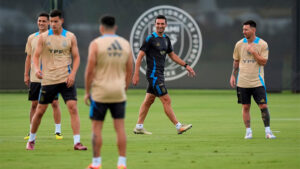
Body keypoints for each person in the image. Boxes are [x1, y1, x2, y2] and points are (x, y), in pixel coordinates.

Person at [26, 9, 87, 150]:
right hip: (49, 80)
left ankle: (77, 142)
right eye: (51, 21)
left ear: (62, 21)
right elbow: (35, 56)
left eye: (55, 21)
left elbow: (77, 57)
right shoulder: (43, 37)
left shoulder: (70, 37)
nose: (53, 24)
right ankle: (31, 139)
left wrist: (73, 75)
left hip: (66, 79)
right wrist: (36, 69)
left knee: (73, 108)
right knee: (40, 111)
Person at [132, 15, 195, 135]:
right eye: (158, 24)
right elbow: (140, 56)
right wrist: (136, 74)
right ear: (155, 25)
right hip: (154, 75)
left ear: (166, 25)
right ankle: (178, 126)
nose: (160, 26)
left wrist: (186, 66)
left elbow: (172, 55)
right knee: (166, 100)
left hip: (159, 74)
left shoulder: (166, 39)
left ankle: (139, 127)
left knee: (149, 100)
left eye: (162, 24)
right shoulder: (150, 39)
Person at [84, 15, 133, 169]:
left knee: (96, 128)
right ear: (115, 28)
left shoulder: (96, 43)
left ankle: (97, 163)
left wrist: (87, 91)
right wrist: (124, 87)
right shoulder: (125, 44)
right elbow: (129, 70)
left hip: (100, 93)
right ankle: (122, 163)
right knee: (120, 128)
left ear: (101, 28)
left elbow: (90, 70)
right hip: (118, 92)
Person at [230, 20, 276, 139]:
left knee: (263, 106)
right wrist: (232, 75)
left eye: (246, 29)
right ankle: (248, 132)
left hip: (257, 82)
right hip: (242, 82)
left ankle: (268, 132)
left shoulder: (262, 44)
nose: (243, 32)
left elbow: (263, 62)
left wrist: (254, 52)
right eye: (243, 29)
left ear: (253, 30)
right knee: (245, 107)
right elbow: (236, 61)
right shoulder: (239, 44)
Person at [24, 12, 63, 140]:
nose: (41, 23)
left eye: (44, 21)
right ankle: (31, 131)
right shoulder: (31, 38)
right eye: (39, 21)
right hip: (35, 77)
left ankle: (58, 131)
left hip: (52, 77)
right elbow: (29, 57)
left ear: (49, 23)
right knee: (34, 104)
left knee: (55, 103)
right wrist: (26, 74)